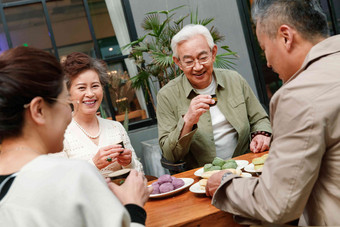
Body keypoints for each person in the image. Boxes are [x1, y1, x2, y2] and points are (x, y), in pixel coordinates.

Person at [206, 0, 340, 225]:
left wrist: (225, 184)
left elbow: (277, 204)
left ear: (286, 37)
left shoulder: (297, 95)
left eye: (264, 48)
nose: (267, 62)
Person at [0, 46, 152, 226]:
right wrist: (134, 208)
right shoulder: (71, 176)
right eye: (66, 101)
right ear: (38, 110)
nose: (68, 112)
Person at [157, 24, 272, 169]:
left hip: (246, 166)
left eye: (203, 58)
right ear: (178, 62)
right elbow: (169, 155)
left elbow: (259, 119)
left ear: (213, 53)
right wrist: (188, 121)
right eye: (189, 61)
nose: (198, 67)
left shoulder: (234, 80)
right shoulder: (167, 95)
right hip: (201, 176)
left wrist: (261, 134)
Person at [53, 52, 143, 177]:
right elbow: (61, 183)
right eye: (81, 88)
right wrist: (94, 164)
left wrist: (128, 163)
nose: (90, 94)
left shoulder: (115, 128)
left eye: (95, 86)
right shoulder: (58, 135)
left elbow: (139, 174)